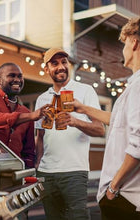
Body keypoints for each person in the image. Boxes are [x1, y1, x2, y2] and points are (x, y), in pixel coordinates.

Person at [66, 16, 140, 220]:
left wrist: (113, 187)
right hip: (136, 197)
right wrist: (83, 108)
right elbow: (119, 120)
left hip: (124, 197)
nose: (123, 49)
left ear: (134, 43)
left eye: (125, 43)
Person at [35, 47, 105, 220]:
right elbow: (41, 137)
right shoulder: (42, 99)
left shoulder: (85, 90)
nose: (60, 67)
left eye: (64, 62)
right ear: (46, 69)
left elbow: (100, 129)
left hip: (74, 171)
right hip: (46, 173)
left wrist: (75, 121)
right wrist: (37, 168)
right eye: (54, 63)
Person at [0, 62, 46, 168]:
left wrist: (29, 173)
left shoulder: (27, 113)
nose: (17, 80)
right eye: (11, 75)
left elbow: (28, 151)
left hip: (13, 172)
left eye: (20, 76)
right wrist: (31, 116)